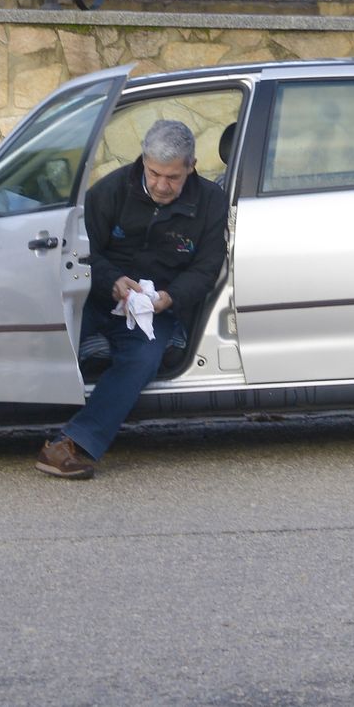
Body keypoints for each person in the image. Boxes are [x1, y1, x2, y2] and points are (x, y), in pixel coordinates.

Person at [36, 119, 230, 479]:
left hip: (156, 310)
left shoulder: (210, 202)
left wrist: (169, 298)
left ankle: (72, 443)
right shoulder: (110, 191)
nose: (161, 185)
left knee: (142, 360)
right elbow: (82, 252)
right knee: (52, 335)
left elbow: (206, 269)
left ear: (192, 167)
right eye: (154, 173)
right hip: (97, 295)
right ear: (143, 161)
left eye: (173, 177)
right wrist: (112, 282)